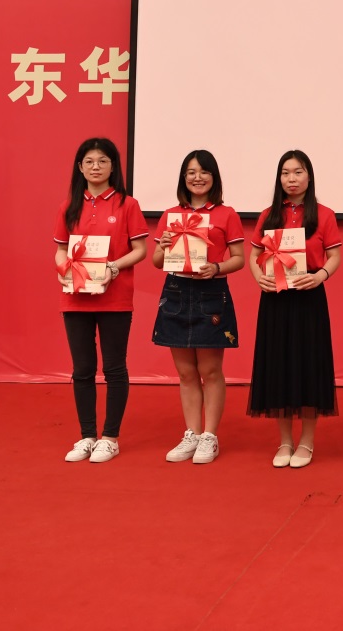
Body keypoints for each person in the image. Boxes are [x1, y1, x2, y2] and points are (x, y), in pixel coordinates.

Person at [53, 137, 148, 463]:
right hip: (75, 298)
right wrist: (62, 270)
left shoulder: (127, 204)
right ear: (80, 167)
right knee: (82, 369)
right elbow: (61, 250)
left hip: (115, 298)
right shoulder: (69, 206)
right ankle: (86, 435)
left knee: (114, 367)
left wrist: (112, 267)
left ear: (113, 166)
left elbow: (140, 250)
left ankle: (110, 437)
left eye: (102, 161)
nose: (96, 167)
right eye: (89, 162)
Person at [246, 150, 341, 468]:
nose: (291, 179)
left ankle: (307, 442)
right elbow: (254, 256)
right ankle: (285, 441)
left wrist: (320, 276)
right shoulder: (268, 215)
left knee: (309, 368)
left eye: (298, 172)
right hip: (275, 300)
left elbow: (335, 256)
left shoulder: (324, 215)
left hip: (309, 298)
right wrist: (259, 277)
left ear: (309, 177)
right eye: (285, 173)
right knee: (279, 367)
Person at [150, 150, 244, 465]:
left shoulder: (226, 214)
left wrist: (216, 268)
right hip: (176, 291)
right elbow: (157, 262)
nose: (197, 177)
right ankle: (191, 433)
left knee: (211, 370)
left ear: (214, 177)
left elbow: (239, 259)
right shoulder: (170, 215)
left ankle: (210, 436)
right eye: (191, 172)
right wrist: (164, 247)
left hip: (211, 292)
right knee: (186, 372)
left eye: (204, 171)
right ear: (183, 178)